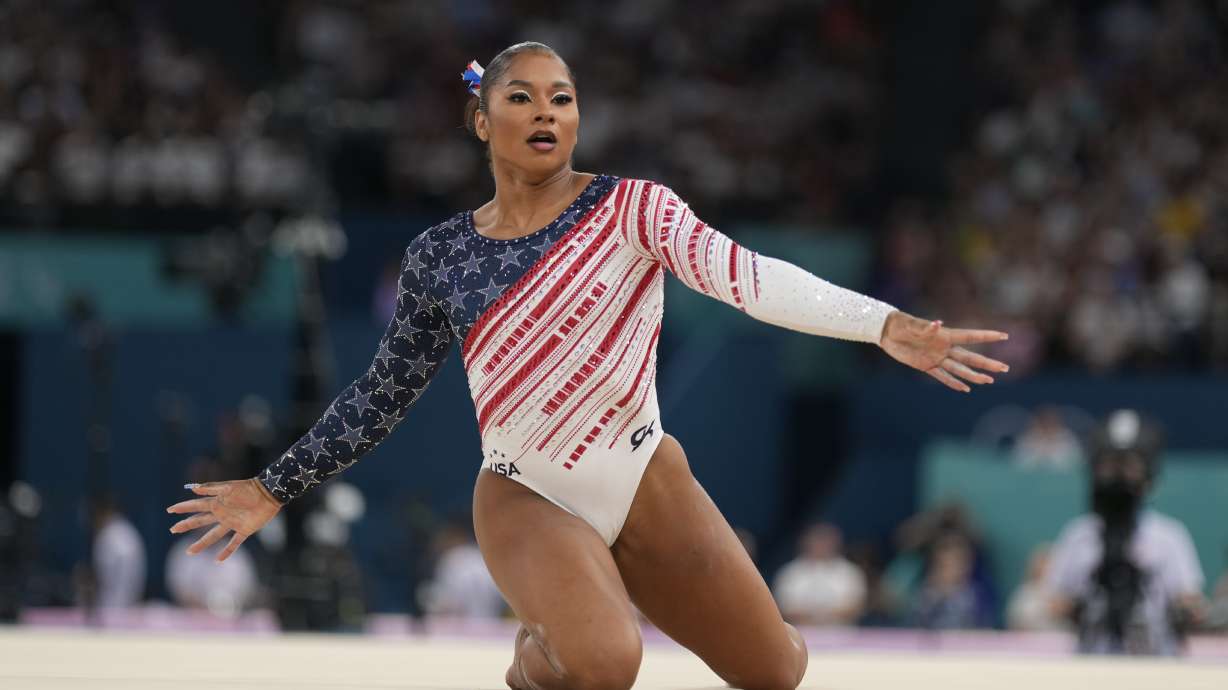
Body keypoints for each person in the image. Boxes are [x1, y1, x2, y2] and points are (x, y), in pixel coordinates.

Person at [167, 42, 1009, 690]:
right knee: (608, 664)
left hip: (647, 476)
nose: (546, 112)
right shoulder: (442, 258)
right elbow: (381, 396)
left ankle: (569, 627)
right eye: (521, 97)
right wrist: (272, 485)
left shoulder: (633, 209)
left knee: (778, 670)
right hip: (528, 494)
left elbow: (748, 278)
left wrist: (882, 324)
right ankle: (534, 661)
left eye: (562, 99)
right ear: (481, 120)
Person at [1046, 409, 1206, 655]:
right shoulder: (1079, 535)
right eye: (1111, 466)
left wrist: (1186, 611)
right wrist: (1082, 599)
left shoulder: (1169, 536)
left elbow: (1189, 599)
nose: (1119, 476)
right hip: (1092, 662)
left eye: (1129, 466)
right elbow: (1055, 601)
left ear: (1148, 476)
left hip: (1156, 660)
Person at [773, 523, 865, 626]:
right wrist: (820, 614)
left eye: (826, 541)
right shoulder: (790, 572)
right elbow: (783, 607)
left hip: (842, 635)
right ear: (806, 542)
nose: (821, 545)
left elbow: (855, 607)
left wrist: (818, 614)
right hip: (801, 633)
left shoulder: (850, 572)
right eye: (818, 540)